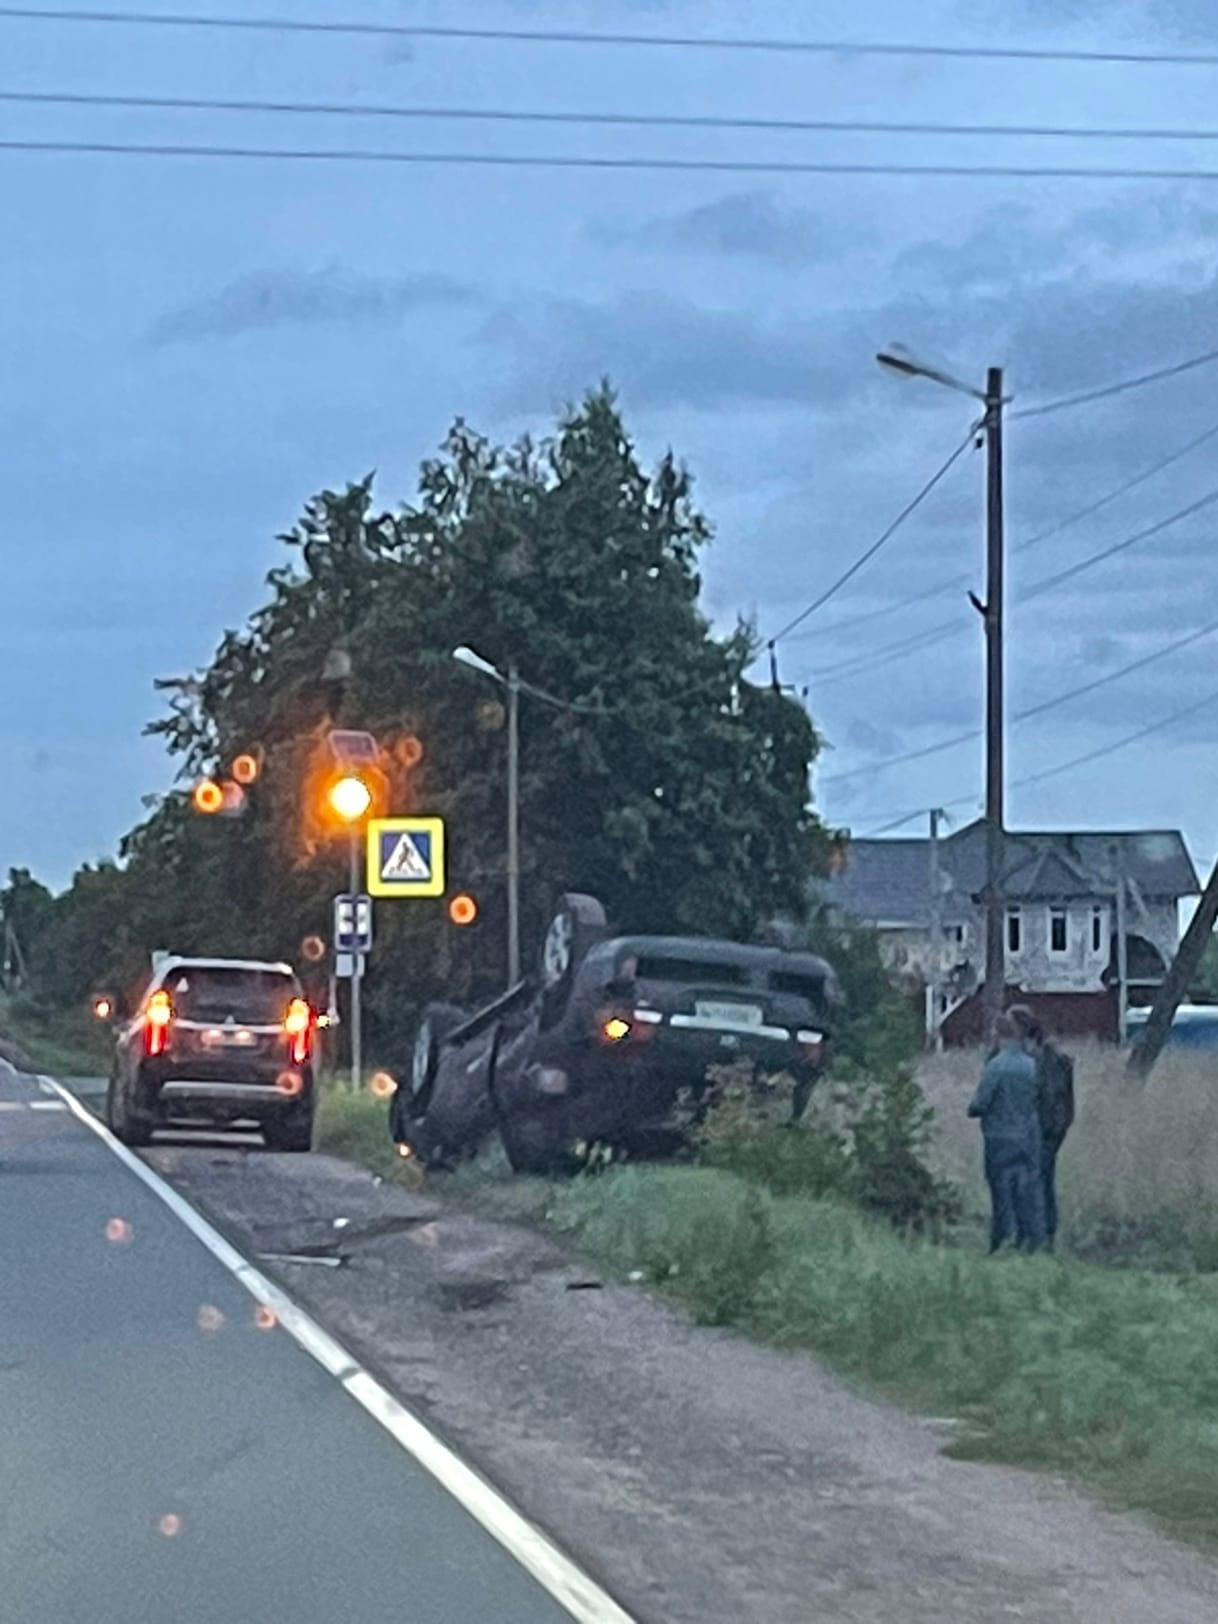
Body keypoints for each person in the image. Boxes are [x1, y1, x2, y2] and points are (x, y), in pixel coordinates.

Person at [968, 1012, 1045, 1253]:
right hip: (1029, 1137)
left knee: (1001, 1191)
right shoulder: (1033, 1065)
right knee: (1027, 1191)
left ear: (1000, 1035)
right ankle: (1030, 1240)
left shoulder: (996, 1066)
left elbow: (981, 1102)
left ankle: (1002, 1240)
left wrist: (974, 1109)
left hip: (999, 1137)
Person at [1008, 1005, 1075, 1251]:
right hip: (1051, 1127)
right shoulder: (1049, 1054)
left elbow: (1046, 1095)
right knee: (1041, 1180)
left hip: (1042, 1129)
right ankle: (1041, 1235)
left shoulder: (1042, 1057)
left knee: (1034, 1181)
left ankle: (1037, 1236)